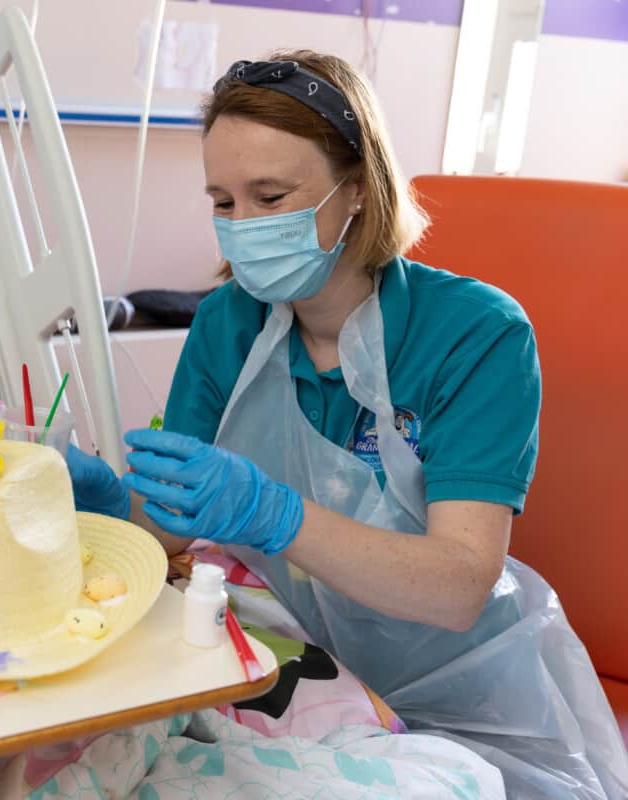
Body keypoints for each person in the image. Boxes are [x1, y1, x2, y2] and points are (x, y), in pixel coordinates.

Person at [68, 50, 628, 798]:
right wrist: (105, 502)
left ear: (358, 188)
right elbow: (169, 527)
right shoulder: (226, 325)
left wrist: (275, 514)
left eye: (270, 196)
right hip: (278, 656)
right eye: (223, 202)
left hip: (452, 701)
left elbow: (459, 587)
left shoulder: (475, 334)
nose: (241, 226)